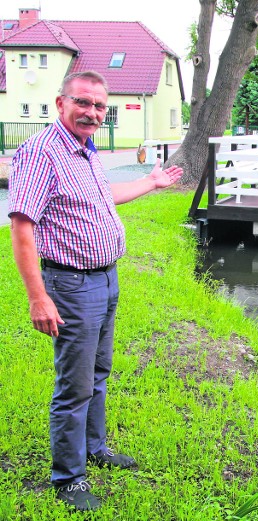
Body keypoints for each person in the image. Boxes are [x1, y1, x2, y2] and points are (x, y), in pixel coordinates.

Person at [8, 71, 183, 511]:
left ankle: (94, 448)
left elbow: (105, 196)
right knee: (75, 385)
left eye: (99, 106)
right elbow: (22, 227)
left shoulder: (84, 150)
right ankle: (68, 478)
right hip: (70, 284)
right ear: (60, 102)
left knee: (98, 373)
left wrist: (152, 183)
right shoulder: (42, 152)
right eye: (83, 103)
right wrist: (37, 296)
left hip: (105, 279)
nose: (92, 112)